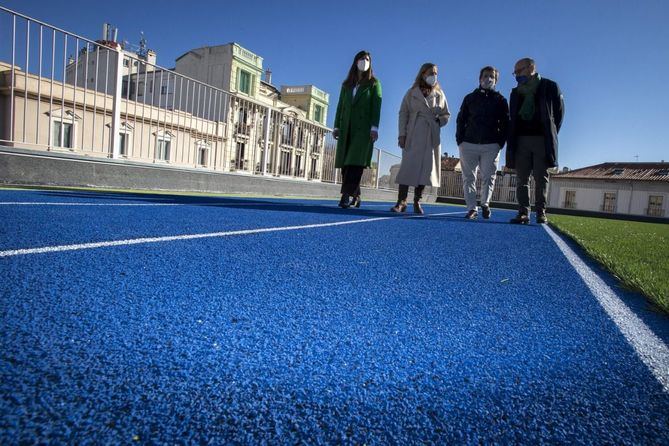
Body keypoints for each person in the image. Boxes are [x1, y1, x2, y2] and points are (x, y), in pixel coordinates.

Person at [506, 57, 564, 224]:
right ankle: (523, 212)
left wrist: (550, 133)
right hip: (520, 140)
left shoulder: (550, 86)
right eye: (515, 72)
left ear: (531, 68)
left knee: (541, 178)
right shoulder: (515, 92)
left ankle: (541, 212)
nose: (517, 75)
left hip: (541, 140)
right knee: (521, 179)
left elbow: (559, 114)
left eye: (519, 70)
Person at [392, 63, 450, 214]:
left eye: (436, 73)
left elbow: (446, 114)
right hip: (413, 133)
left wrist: (439, 121)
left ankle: (417, 201)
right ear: (423, 73)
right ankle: (401, 201)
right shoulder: (411, 93)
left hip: (431, 135)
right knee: (407, 168)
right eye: (431, 72)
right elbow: (403, 113)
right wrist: (402, 135)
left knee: (426, 170)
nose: (434, 76)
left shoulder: (440, 94)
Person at [456, 66, 509, 220]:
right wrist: (460, 140)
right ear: (480, 79)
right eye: (485, 76)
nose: (488, 79)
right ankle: (472, 208)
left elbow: (505, 123)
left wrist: (500, 142)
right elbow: (461, 120)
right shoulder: (469, 98)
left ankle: (485, 204)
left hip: (491, 145)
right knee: (469, 178)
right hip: (468, 144)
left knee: (489, 176)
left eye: (491, 76)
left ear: (496, 80)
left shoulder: (500, 100)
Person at [332, 50, 382, 208]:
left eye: (367, 59)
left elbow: (376, 107)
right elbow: (340, 106)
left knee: (355, 162)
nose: (364, 61)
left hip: (363, 129)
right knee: (346, 163)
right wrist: (336, 126)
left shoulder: (374, 83)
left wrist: (374, 128)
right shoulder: (346, 85)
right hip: (346, 127)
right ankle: (356, 195)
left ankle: (345, 196)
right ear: (355, 61)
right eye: (361, 58)